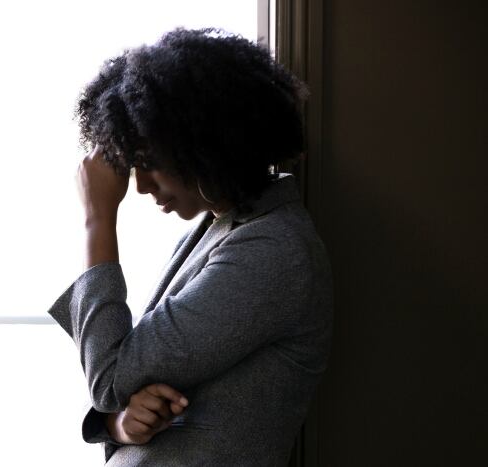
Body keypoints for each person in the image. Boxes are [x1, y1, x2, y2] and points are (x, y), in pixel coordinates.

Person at [47, 28, 332, 466]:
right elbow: (123, 388)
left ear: (203, 147)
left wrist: (97, 219)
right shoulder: (219, 229)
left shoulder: (272, 251)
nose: (139, 186)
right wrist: (119, 422)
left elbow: (111, 376)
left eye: (147, 164)